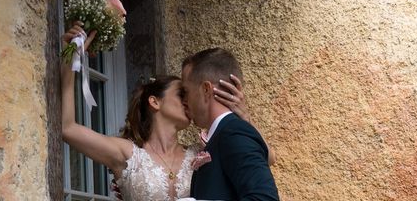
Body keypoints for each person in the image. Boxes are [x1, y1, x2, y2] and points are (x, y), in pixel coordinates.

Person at [61, 23, 273, 201]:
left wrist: (243, 118)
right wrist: (71, 60)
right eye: (182, 94)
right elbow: (68, 128)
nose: (188, 100)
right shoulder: (129, 155)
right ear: (155, 102)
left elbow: (266, 158)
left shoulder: (200, 153)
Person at [181, 47, 280, 201]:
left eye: (186, 92)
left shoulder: (233, 133)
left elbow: (265, 198)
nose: (184, 101)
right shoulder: (223, 133)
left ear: (206, 89)